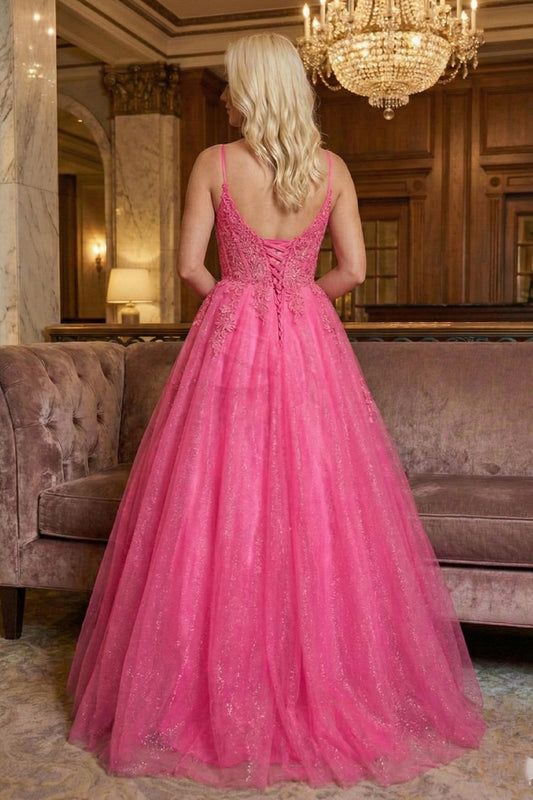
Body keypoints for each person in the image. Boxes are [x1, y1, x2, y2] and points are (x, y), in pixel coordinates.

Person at [67, 33, 485, 790]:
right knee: (317, 502)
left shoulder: (214, 163)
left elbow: (188, 267)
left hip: (231, 344)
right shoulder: (331, 170)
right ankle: (316, 676)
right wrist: (297, 303)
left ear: (252, 89)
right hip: (310, 344)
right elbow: (353, 270)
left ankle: (214, 682)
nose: (226, 95)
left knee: (217, 499)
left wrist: (240, 303)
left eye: (231, 83)